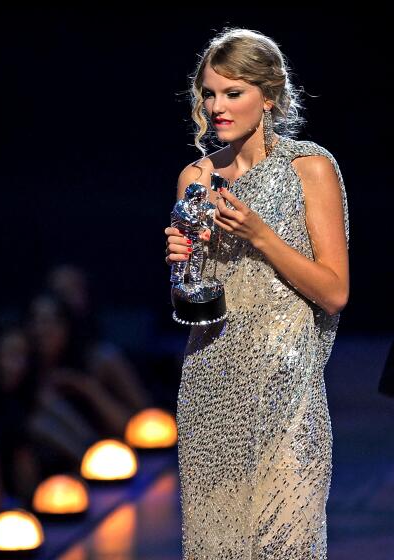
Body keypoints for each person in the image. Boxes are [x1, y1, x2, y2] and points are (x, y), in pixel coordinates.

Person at [164, 29, 349, 558]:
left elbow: (335, 293)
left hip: (287, 392)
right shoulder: (195, 178)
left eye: (233, 92)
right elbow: (194, 308)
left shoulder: (308, 168)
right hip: (212, 388)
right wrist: (182, 267)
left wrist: (260, 236)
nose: (217, 106)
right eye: (208, 93)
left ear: (268, 96)